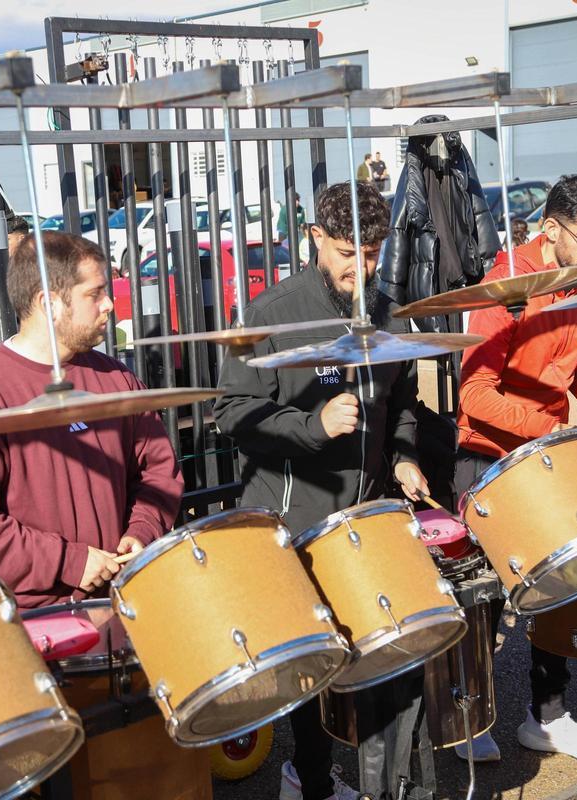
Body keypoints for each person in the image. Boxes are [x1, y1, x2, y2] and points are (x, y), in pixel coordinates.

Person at [216, 181, 428, 800]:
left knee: (378, 652)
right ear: (314, 240)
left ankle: (385, 776)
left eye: (371, 253)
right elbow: (232, 412)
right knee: (313, 664)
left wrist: (406, 455)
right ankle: (307, 777)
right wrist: (313, 427)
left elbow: (403, 400)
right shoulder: (268, 313)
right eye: (346, 253)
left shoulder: (385, 308)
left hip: (366, 513)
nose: (360, 268)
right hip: (293, 514)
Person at [455, 175, 577, 763]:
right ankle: (467, 715)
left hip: (547, 453)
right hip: (489, 456)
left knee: (559, 580)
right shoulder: (503, 287)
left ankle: (547, 715)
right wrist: (548, 429)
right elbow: (474, 396)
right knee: (487, 599)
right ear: (550, 229)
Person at [0, 231, 182, 608]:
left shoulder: (117, 379)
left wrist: (142, 529)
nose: (109, 304)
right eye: (94, 294)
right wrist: (70, 562)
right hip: (32, 620)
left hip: (125, 601)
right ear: (50, 303)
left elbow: (159, 470)